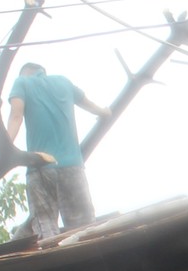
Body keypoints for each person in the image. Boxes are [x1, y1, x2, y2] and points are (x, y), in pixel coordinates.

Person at [6, 61, 111, 239]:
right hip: (73, 167)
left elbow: (16, 116)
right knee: (85, 229)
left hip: (40, 167)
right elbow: (89, 104)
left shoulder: (22, 82)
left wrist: (3, 150)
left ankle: (52, 261)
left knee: (46, 229)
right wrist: (104, 112)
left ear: (25, 73)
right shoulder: (64, 82)